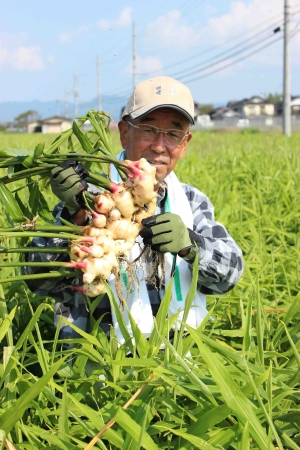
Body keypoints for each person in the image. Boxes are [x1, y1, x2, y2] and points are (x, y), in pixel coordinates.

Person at [25, 76, 244, 340]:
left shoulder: (192, 201)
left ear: (184, 144)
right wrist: (75, 217)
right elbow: (36, 279)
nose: (160, 146)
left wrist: (192, 245)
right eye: (149, 130)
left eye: (173, 134)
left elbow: (231, 275)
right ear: (124, 133)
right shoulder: (88, 198)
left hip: (178, 359)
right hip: (97, 363)